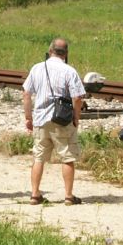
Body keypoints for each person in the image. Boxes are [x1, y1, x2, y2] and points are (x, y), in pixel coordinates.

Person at [22, 37, 88, 205]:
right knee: (67, 157)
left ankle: (35, 194)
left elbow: (26, 94)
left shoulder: (36, 68)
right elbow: (78, 98)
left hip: (40, 120)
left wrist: (28, 117)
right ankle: (68, 196)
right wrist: (76, 117)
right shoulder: (69, 71)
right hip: (62, 120)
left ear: (50, 51)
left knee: (39, 157)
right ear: (65, 53)